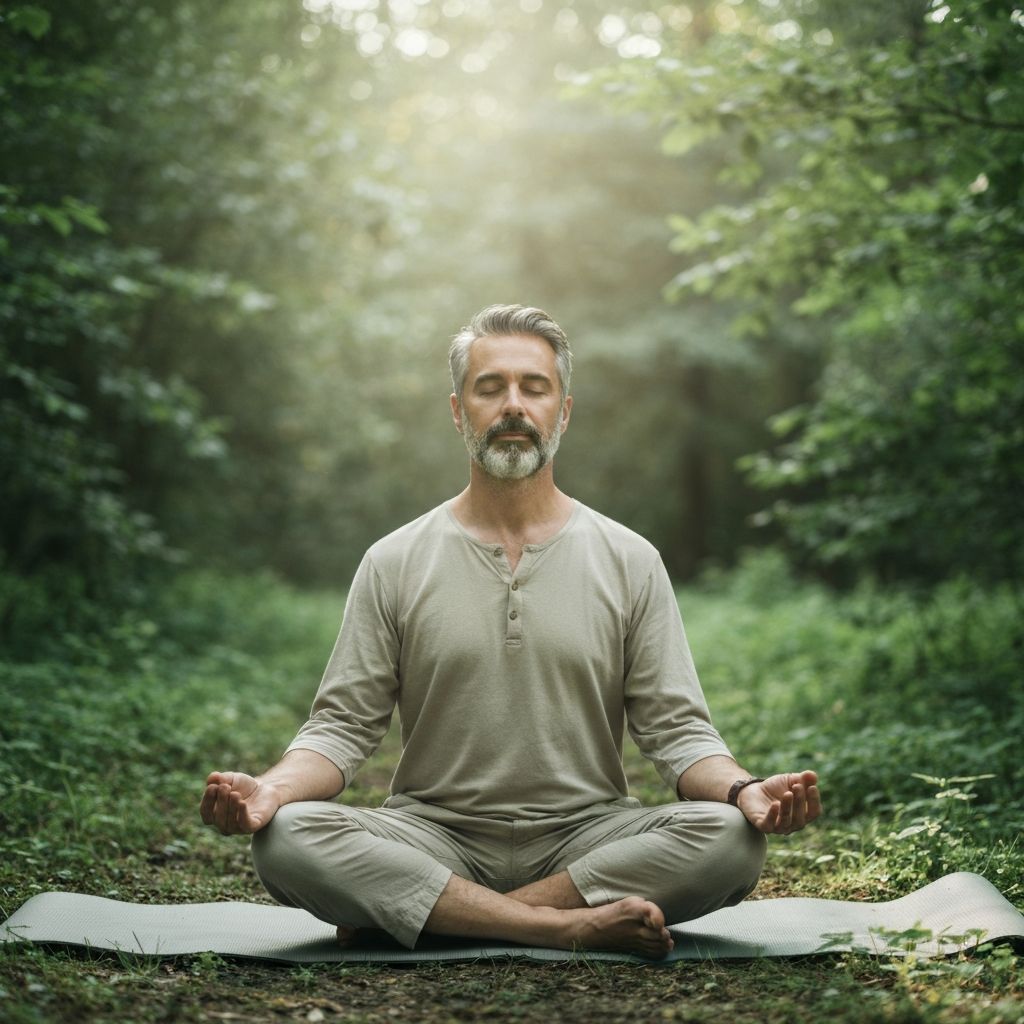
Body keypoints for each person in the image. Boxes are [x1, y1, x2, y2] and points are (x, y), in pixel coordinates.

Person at [199, 304, 821, 959]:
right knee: (288, 837)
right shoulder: (393, 560)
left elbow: (678, 732)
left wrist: (743, 789)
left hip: (589, 838)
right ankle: (560, 926)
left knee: (729, 839)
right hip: (434, 835)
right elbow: (340, 729)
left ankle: (438, 915)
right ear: (458, 410)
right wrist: (271, 790)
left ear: (565, 410)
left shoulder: (631, 560)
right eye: (490, 387)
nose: (513, 405)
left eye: (535, 387)